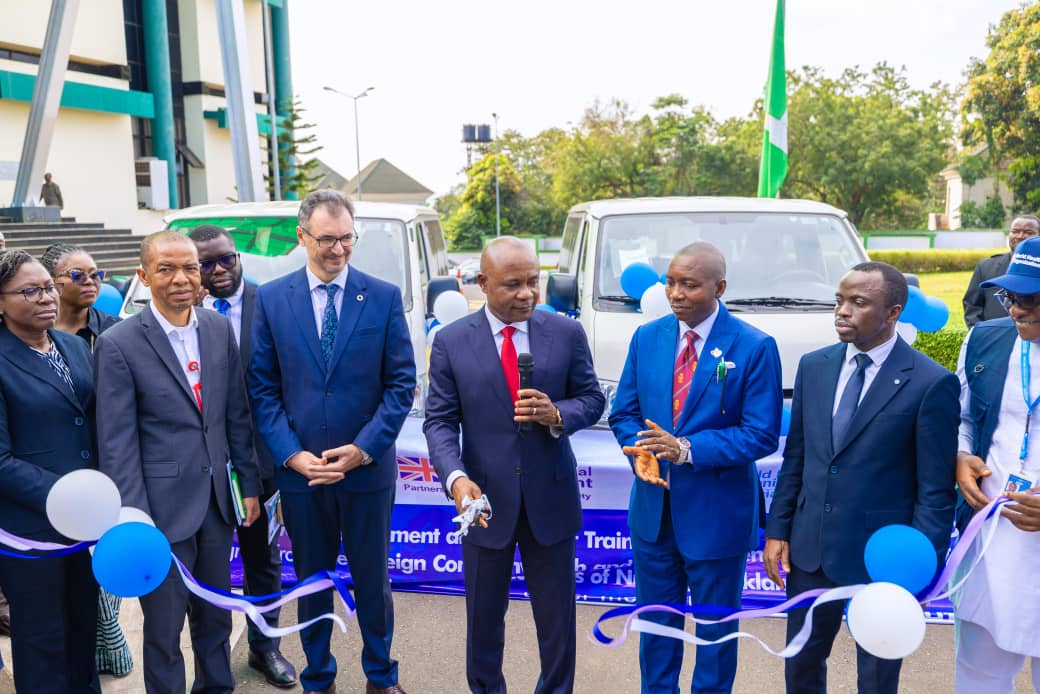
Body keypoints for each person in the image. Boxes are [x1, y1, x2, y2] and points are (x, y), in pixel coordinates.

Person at [764, 261, 960, 694]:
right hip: (811, 552)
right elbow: (797, 456)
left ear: (893, 313)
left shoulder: (931, 383)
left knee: (876, 678)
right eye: (839, 300)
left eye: (858, 302)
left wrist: (918, 564)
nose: (842, 311)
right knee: (802, 664)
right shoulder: (814, 366)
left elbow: (934, 491)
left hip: (883, 560)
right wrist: (778, 529)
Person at [249, 189, 415, 694]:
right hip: (303, 476)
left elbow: (401, 385)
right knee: (311, 581)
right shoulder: (271, 299)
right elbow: (262, 387)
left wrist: (363, 449)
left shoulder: (382, 297)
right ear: (302, 237)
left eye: (347, 238)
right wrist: (292, 455)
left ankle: (381, 676)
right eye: (327, 239)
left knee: (372, 581)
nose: (338, 249)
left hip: (366, 472)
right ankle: (319, 677)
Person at [424, 237, 605, 694]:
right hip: (484, 504)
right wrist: (457, 479)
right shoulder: (450, 342)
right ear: (482, 283)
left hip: (551, 502)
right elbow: (439, 422)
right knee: (483, 624)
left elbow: (592, 399)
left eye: (533, 282)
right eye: (513, 284)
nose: (527, 294)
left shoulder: (565, 333)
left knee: (557, 625)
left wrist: (558, 413)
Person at [609, 242, 783, 694]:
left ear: (719, 288)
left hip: (717, 517)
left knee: (715, 637)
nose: (675, 293)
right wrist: (642, 449)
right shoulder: (647, 338)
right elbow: (624, 412)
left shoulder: (754, 346)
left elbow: (761, 434)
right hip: (654, 515)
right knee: (656, 632)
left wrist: (685, 449)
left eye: (688, 284)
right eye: (670, 282)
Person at [94, 231, 261, 694]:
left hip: (216, 505)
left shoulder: (216, 328)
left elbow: (236, 415)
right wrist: (134, 517)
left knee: (216, 617)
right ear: (144, 275)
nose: (182, 279)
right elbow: (117, 441)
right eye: (166, 269)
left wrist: (247, 485)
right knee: (165, 630)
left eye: (190, 267)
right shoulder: (118, 343)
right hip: (159, 513)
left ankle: (217, 687)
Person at [187, 224, 298, 688]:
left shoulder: (270, 303)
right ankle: (210, 664)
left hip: (261, 458)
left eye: (226, 259)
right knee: (206, 565)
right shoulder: (180, 312)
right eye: (205, 264)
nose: (218, 270)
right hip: (202, 462)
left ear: (238, 257)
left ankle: (264, 647)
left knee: (262, 560)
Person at [0, 250, 101, 692]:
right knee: (42, 640)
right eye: (30, 291)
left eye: (49, 287)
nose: (46, 298)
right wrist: (69, 495)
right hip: (28, 529)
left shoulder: (74, 346)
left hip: (81, 526)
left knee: (82, 629)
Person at [952, 235, 1040, 693]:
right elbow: (962, 416)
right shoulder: (983, 339)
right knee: (979, 670)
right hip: (992, 532)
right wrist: (962, 454)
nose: (1017, 309)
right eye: (1010, 297)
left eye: (1031, 299)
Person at [41, 242, 133, 678]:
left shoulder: (116, 333)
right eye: (78, 275)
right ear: (51, 283)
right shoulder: (31, 334)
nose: (92, 282)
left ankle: (104, 647)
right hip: (48, 471)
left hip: (103, 466)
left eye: (97, 274)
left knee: (98, 573)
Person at [963, 215, 1040, 327]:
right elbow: (972, 305)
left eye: (1028, 232)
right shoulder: (985, 267)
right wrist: (981, 332)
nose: (1020, 236)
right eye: (1015, 231)